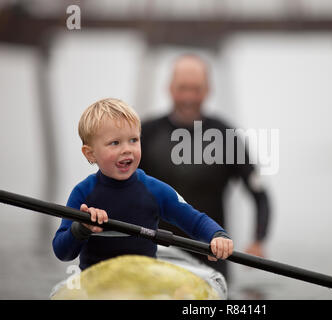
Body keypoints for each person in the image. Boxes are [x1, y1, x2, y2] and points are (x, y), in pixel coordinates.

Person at [52, 98, 233, 271]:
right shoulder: (83, 194)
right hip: (96, 287)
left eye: (133, 140)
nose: (127, 149)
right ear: (90, 154)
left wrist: (217, 236)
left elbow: (196, 221)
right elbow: (63, 253)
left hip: (144, 284)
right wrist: (81, 227)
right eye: (115, 143)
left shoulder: (154, 190)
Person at [139, 54, 270, 280]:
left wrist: (258, 240)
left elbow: (260, 195)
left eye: (196, 89)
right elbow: (117, 185)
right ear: (169, 88)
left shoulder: (226, 136)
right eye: (183, 88)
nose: (189, 96)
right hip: (155, 259)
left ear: (208, 90)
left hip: (210, 262)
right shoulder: (145, 134)